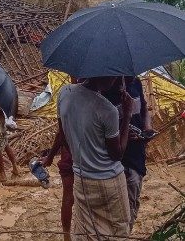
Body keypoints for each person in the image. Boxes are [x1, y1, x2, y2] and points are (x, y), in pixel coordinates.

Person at [58, 77, 133, 240]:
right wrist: (127, 116)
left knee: (86, 233)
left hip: (82, 180)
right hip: (110, 181)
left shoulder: (64, 93)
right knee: (116, 232)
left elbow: (63, 137)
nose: (115, 81)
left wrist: (83, 154)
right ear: (102, 74)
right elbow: (117, 154)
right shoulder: (107, 110)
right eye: (112, 76)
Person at [103, 76, 155, 231]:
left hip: (138, 156)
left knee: (133, 202)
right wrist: (124, 123)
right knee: (122, 209)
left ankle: (125, 233)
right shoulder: (106, 92)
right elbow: (103, 130)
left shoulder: (136, 83)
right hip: (120, 160)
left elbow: (144, 109)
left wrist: (147, 128)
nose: (133, 75)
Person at [41, 76, 80, 241]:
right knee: (80, 196)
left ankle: (66, 235)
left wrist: (50, 156)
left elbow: (61, 132)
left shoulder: (64, 93)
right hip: (87, 154)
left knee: (68, 195)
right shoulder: (97, 94)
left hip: (70, 152)